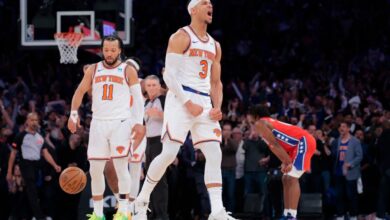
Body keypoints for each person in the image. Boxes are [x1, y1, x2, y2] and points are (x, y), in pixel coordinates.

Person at [132, 0, 234, 219]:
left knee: (214, 153)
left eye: (211, 3)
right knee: (169, 153)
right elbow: (168, 75)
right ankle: (142, 200)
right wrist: (188, 102)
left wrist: (217, 107)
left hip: (204, 101)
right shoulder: (181, 37)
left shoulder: (215, 45)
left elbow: (216, 83)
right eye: (206, 2)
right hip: (180, 99)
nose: (211, 6)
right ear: (194, 9)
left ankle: (217, 211)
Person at [67, 35, 145, 220]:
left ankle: (124, 211)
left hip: (121, 123)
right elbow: (79, 91)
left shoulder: (128, 70)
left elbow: (138, 100)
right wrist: (73, 114)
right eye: (106, 50)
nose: (109, 53)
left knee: (120, 166)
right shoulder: (93, 69)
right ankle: (98, 213)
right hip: (98, 123)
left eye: (113, 50)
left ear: (119, 51)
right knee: (95, 169)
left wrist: (139, 123)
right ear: (102, 50)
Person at [247, 105, 316, 220]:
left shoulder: (260, 123)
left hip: (303, 142)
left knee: (292, 178)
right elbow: (276, 147)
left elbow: (275, 145)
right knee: (285, 178)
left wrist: (287, 162)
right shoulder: (266, 123)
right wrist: (285, 162)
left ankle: (292, 216)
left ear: (256, 116)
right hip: (294, 146)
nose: (249, 121)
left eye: (250, 119)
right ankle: (287, 213)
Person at [7, 112, 62, 220]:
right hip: (26, 164)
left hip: (37, 166)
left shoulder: (40, 137)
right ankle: (39, 217)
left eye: (36, 120)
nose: (34, 122)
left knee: (30, 192)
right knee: (31, 190)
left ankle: (16, 215)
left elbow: (45, 153)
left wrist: (55, 165)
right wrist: (9, 172)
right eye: (31, 120)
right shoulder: (20, 136)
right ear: (27, 121)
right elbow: (13, 154)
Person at [331, 121, 362, 220]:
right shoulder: (337, 141)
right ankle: (340, 215)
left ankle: (353, 215)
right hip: (338, 173)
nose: (341, 128)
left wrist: (350, 164)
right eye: (340, 126)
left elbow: (359, 156)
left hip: (351, 173)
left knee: (351, 196)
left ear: (348, 129)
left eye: (344, 126)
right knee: (339, 195)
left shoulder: (355, 141)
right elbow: (334, 156)